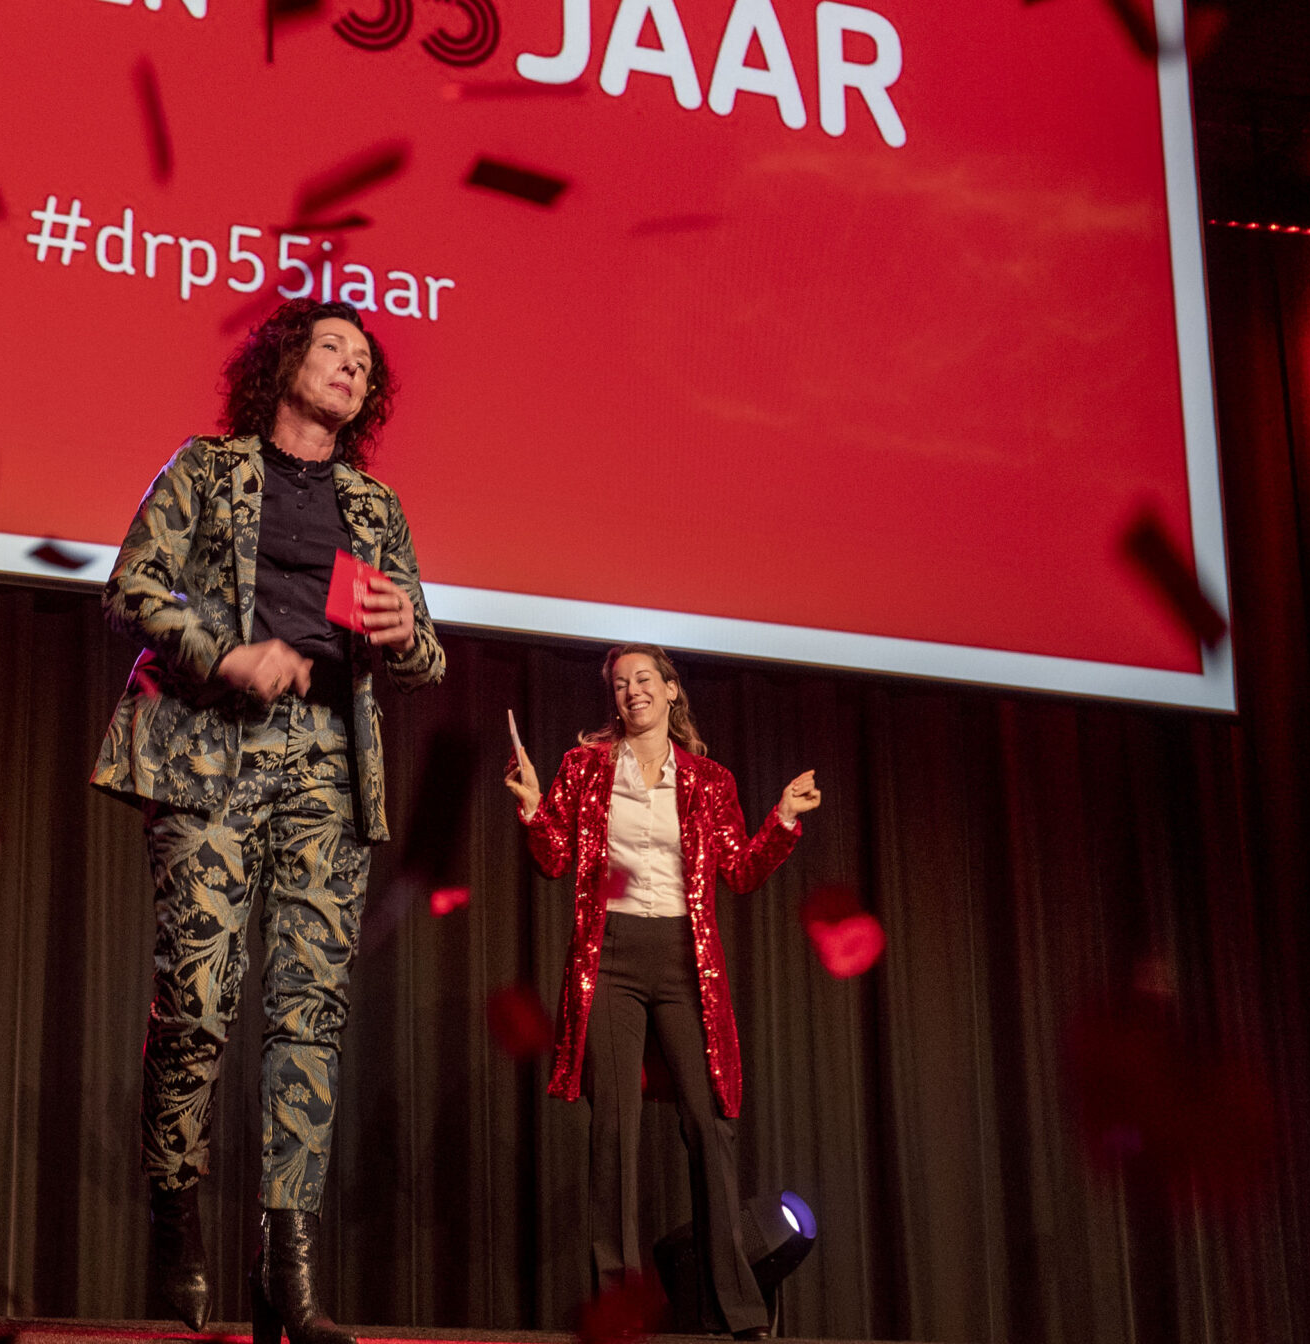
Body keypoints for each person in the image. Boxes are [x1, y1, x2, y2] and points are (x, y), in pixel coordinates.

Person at [93, 299, 445, 1344]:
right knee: (197, 1002)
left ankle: (284, 1274)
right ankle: (173, 1206)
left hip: (327, 767)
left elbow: (424, 654)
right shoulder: (206, 471)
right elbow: (133, 587)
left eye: (364, 364)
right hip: (208, 751)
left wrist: (404, 628)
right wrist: (223, 650)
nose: (349, 367)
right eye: (332, 348)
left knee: (309, 1019)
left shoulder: (373, 507)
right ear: (283, 362)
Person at [504, 645, 819, 1338]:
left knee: (707, 1129)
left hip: (683, 960)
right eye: (619, 684)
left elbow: (738, 871)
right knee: (614, 1131)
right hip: (610, 956)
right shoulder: (583, 769)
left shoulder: (709, 781)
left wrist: (784, 820)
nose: (631, 691)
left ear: (673, 691)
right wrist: (532, 810)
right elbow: (556, 860)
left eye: (644, 679)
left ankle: (734, 1311)